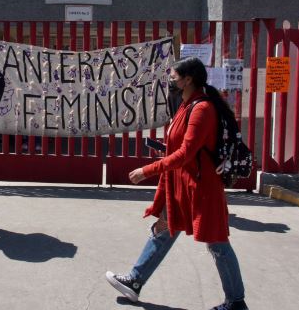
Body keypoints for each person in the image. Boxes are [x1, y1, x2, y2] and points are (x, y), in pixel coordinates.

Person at [105, 57, 248, 310]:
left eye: (173, 76)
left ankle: (236, 302)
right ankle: (135, 281)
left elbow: (185, 153)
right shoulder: (185, 105)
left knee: (217, 244)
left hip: (202, 189)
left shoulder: (202, 109)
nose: (170, 80)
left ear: (188, 79)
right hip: (183, 184)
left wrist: (146, 171)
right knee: (163, 229)